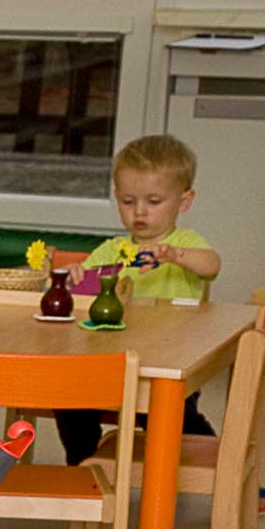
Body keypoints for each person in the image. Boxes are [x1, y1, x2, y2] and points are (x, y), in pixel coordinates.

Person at [54, 134, 223, 468]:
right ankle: (81, 466)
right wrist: (75, 273)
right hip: (110, 363)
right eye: (128, 201)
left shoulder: (185, 243)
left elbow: (211, 265)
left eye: (154, 201)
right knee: (69, 399)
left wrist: (176, 256)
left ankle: (227, 469)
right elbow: (84, 285)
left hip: (169, 366)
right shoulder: (111, 249)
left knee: (179, 420)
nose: (140, 211)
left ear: (184, 201)